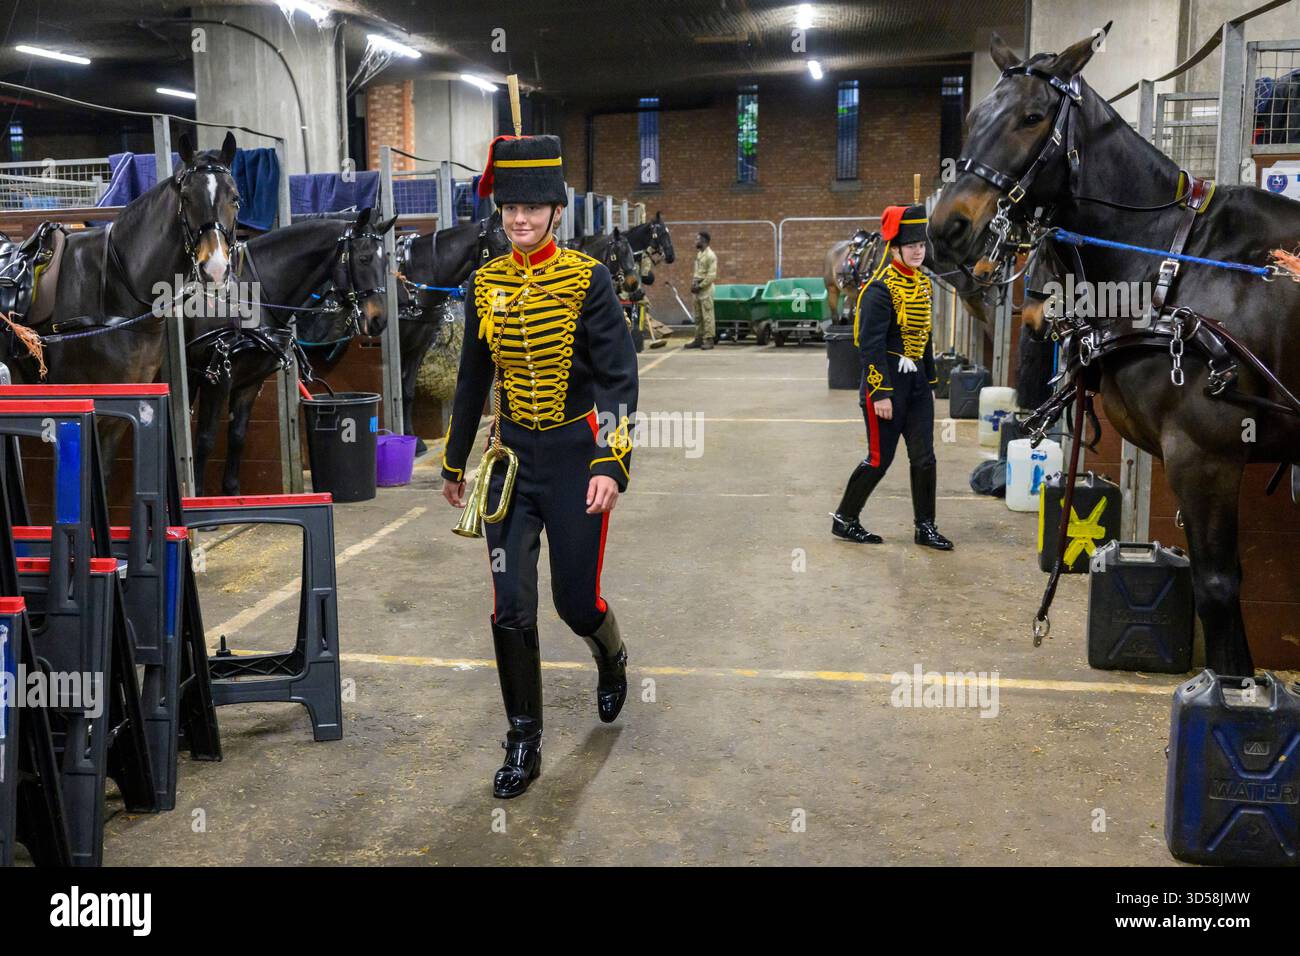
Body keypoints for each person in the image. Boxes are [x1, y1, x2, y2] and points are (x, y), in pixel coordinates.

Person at [440, 133, 639, 798]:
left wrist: (612, 460)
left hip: (579, 461)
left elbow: (617, 378)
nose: (519, 219)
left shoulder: (591, 279)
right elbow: (471, 378)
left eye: (533, 207)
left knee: (574, 602)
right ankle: (523, 739)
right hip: (509, 466)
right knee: (511, 607)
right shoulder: (485, 282)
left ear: (556, 211)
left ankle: (610, 655)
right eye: (509, 207)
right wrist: (452, 460)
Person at [830, 203, 954, 551]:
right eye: (911, 245)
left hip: (915, 385)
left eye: (921, 245)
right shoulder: (878, 290)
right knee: (879, 460)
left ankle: (925, 527)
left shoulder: (924, 287)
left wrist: (930, 384)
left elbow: (925, 339)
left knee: (925, 457)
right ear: (895, 247)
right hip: (884, 385)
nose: (918, 251)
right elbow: (868, 346)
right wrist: (881, 391)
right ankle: (845, 518)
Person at [685, 231, 717, 349]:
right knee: (698, 316)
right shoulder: (699, 254)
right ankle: (698, 338)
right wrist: (694, 285)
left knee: (707, 316)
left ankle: (709, 340)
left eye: (697, 239)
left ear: (704, 241)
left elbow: (711, 275)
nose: (696, 241)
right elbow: (697, 273)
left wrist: (700, 286)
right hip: (697, 290)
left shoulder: (710, 256)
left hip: (706, 290)